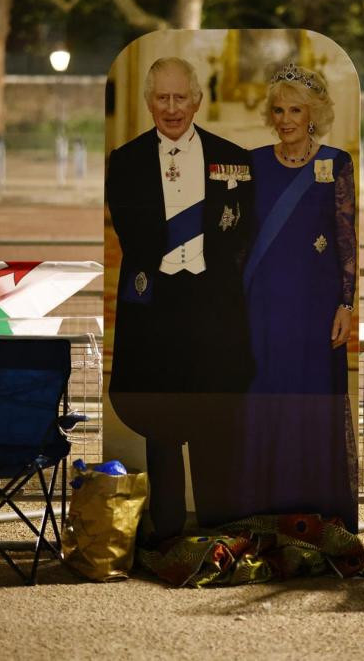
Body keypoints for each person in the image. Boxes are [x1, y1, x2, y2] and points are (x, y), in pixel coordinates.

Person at [105, 56, 254, 539]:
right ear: (150, 102)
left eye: (180, 97)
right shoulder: (124, 162)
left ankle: (217, 527)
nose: (172, 108)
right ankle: (167, 533)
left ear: (197, 100)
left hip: (213, 310)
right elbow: (135, 237)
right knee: (162, 421)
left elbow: (240, 234)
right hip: (158, 312)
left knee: (215, 421)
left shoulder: (234, 158)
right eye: (162, 98)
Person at [239, 62, 358, 529]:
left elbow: (346, 238)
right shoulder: (252, 163)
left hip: (315, 306)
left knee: (309, 398)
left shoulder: (337, 162)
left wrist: (345, 305)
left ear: (313, 114)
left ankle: (315, 512)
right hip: (264, 305)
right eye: (278, 110)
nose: (285, 119)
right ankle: (265, 511)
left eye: (295, 110)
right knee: (265, 398)